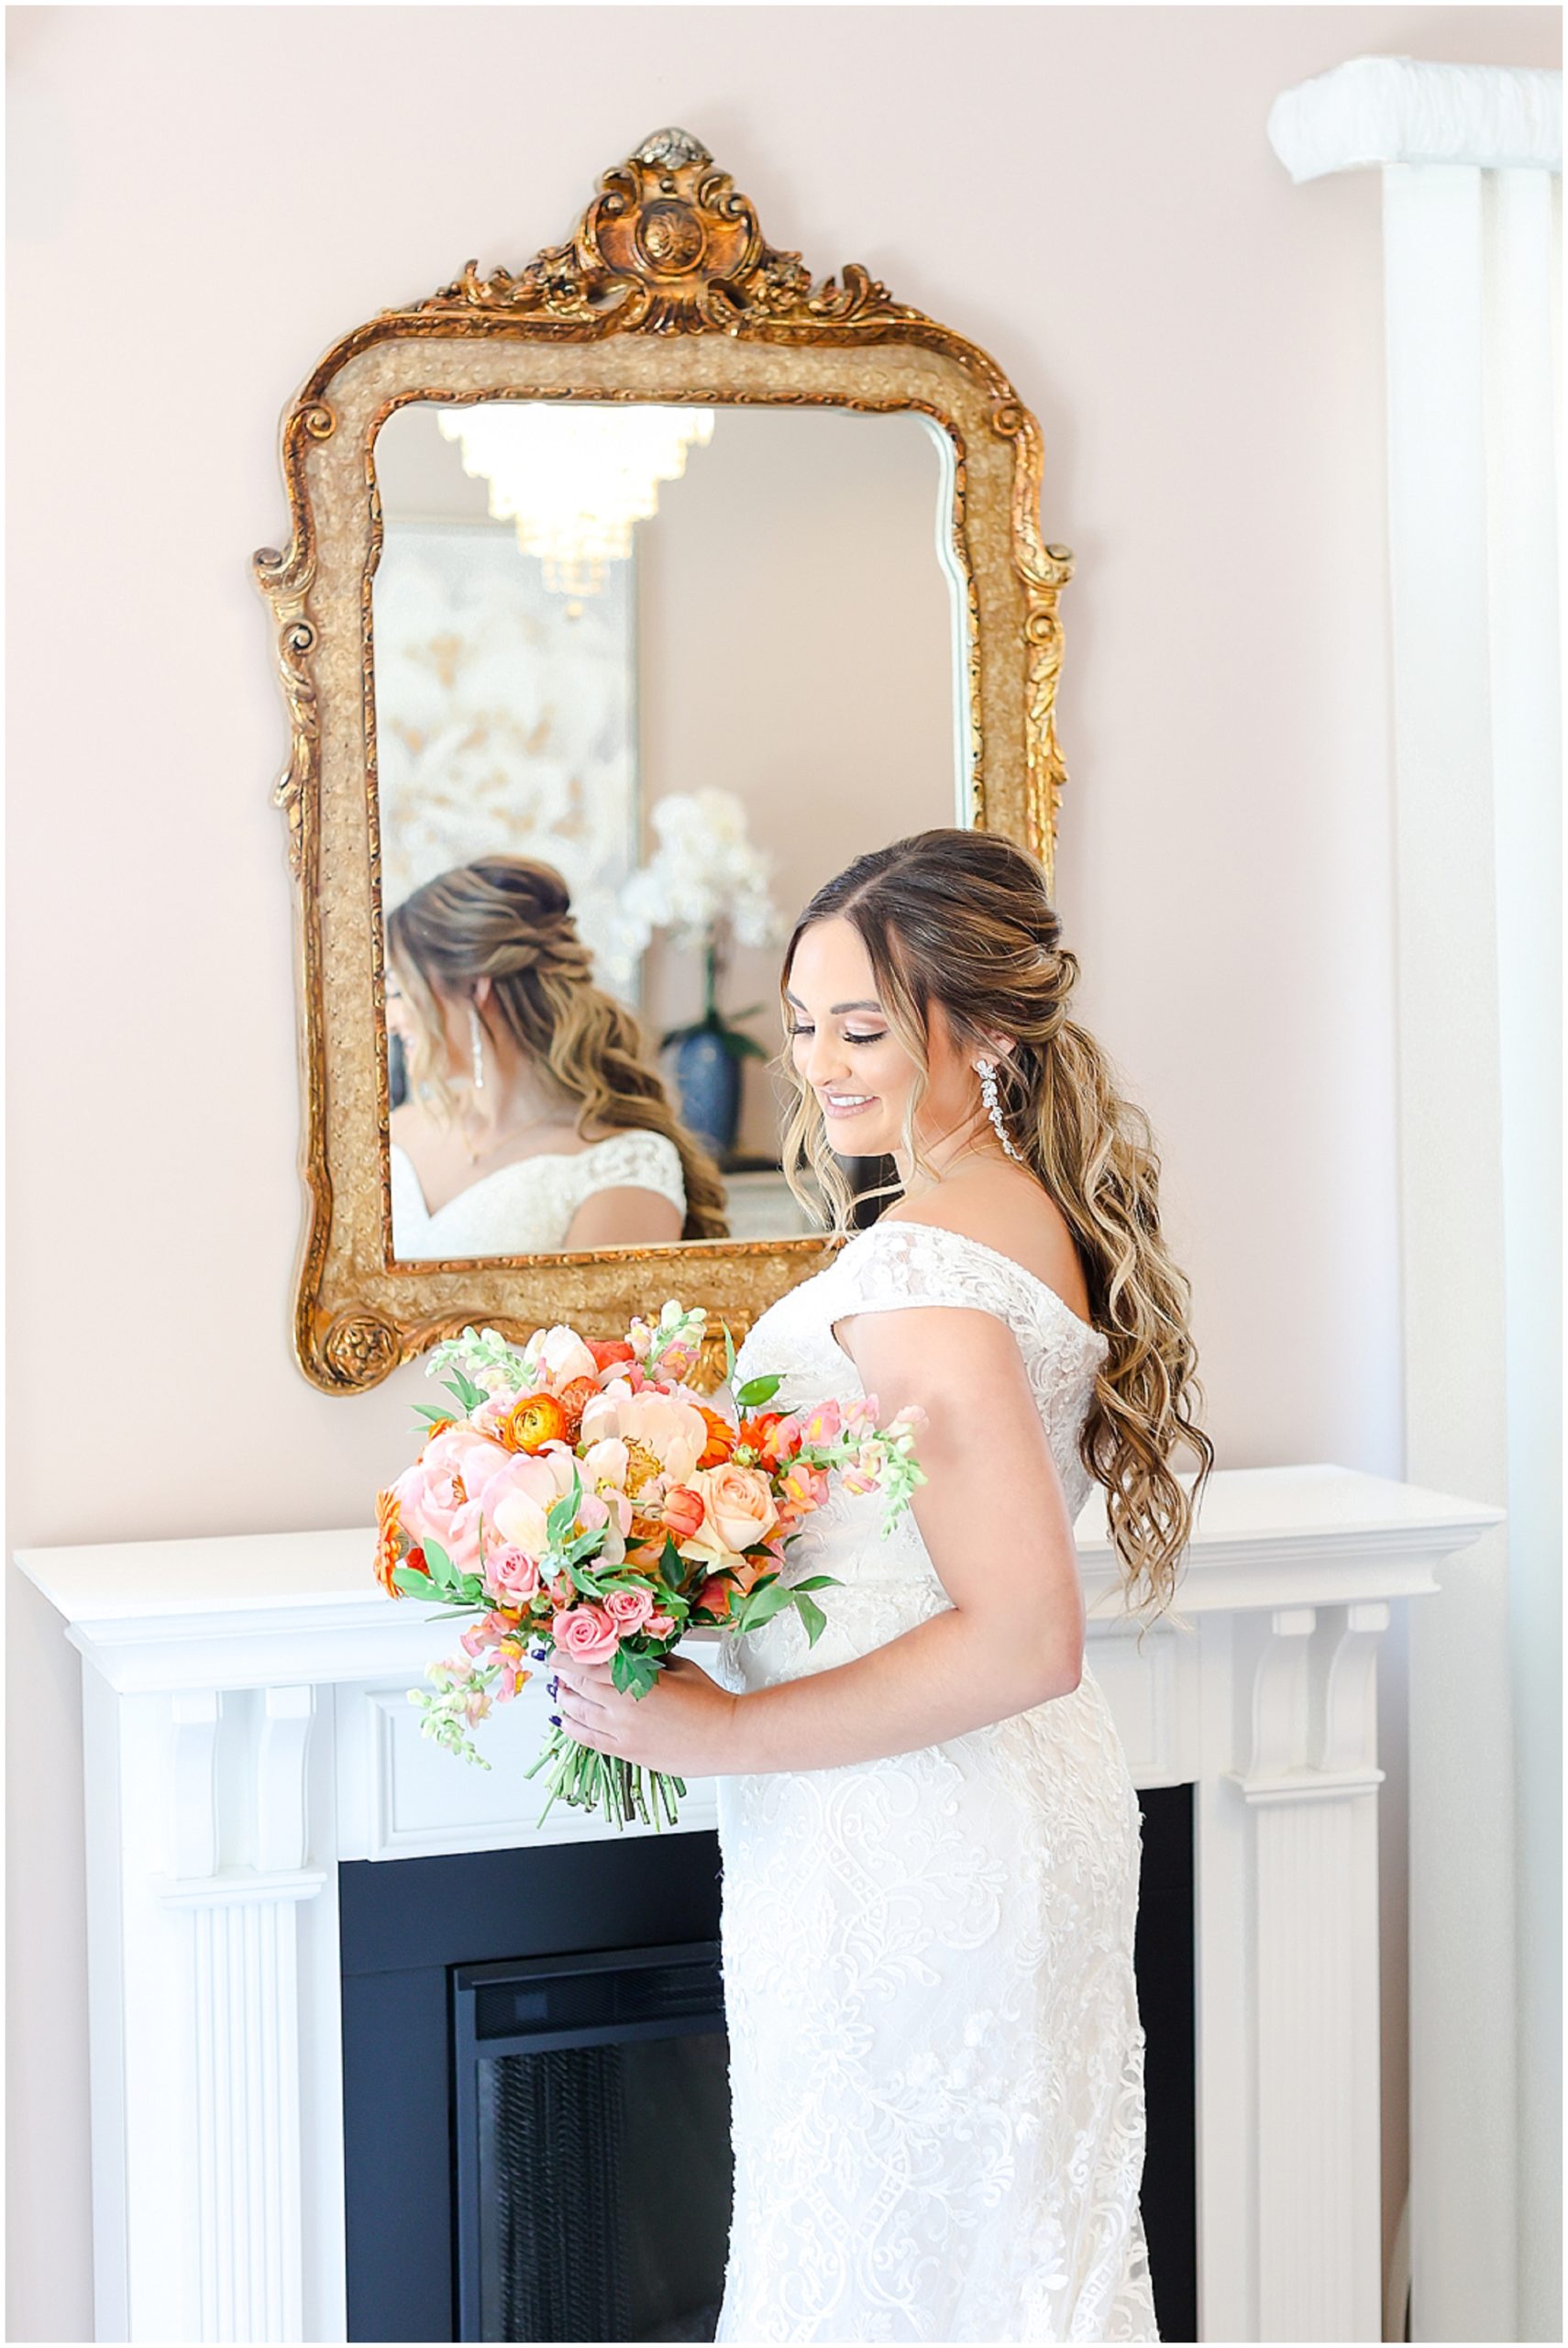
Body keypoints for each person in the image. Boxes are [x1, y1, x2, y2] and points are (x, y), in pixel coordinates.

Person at [550, 826, 1215, 2342]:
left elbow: (1027, 1636)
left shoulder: (924, 1270)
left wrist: (714, 1734)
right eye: (802, 1026)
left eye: (860, 1026)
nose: (820, 1064)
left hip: (920, 1834)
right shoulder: (1001, 1216)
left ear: (981, 1028)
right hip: (919, 1815)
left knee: (902, 2266)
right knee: (972, 2262)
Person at [383, 854, 728, 1257]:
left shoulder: (620, 1165)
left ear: (477, 988)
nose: (390, 1019)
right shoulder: (393, 1135)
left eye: (399, 992)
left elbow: (604, 1321)